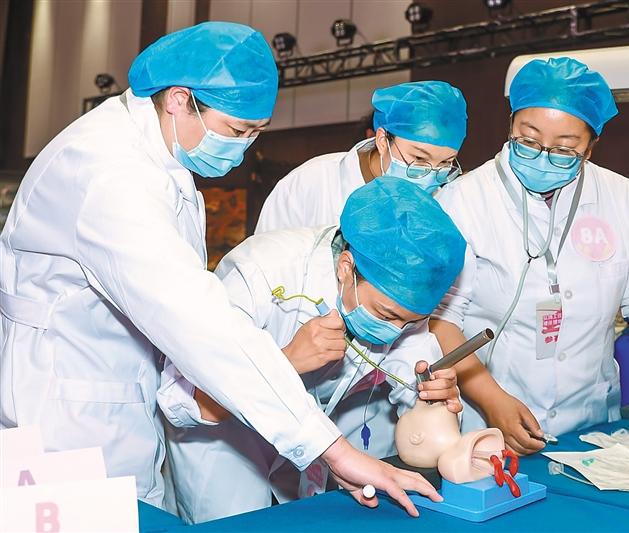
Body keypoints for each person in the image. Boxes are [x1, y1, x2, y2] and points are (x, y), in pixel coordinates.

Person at [0, 22, 439, 515]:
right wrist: (332, 449)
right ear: (179, 100)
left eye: (256, 133)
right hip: (64, 420)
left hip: (118, 407)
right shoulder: (108, 174)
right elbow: (198, 321)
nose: (244, 148)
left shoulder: (162, 162)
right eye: (236, 131)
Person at [429, 57, 629, 456]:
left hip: (591, 427)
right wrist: (492, 400)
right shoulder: (462, 200)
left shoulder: (622, 198)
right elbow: (441, 320)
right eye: (528, 140)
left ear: (590, 148)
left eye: (565, 149)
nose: (543, 157)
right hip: (485, 426)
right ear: (510, 126)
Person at [160, 177, 467, 523]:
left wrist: (435, 402)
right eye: (385, 315)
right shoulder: (261, 270)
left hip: (309, 451)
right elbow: (179, 401)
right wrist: (286, 361)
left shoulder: (400, 303)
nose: (395, 332)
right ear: (346, 267)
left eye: (411, 322)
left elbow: (414, 387)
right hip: (225, 447)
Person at [255, 80, 467, 232]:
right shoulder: (310, 184)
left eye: (445, 163)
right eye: (419, 159)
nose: (429, 177)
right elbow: (264, 263)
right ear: (382, 140)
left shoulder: (445, 200)